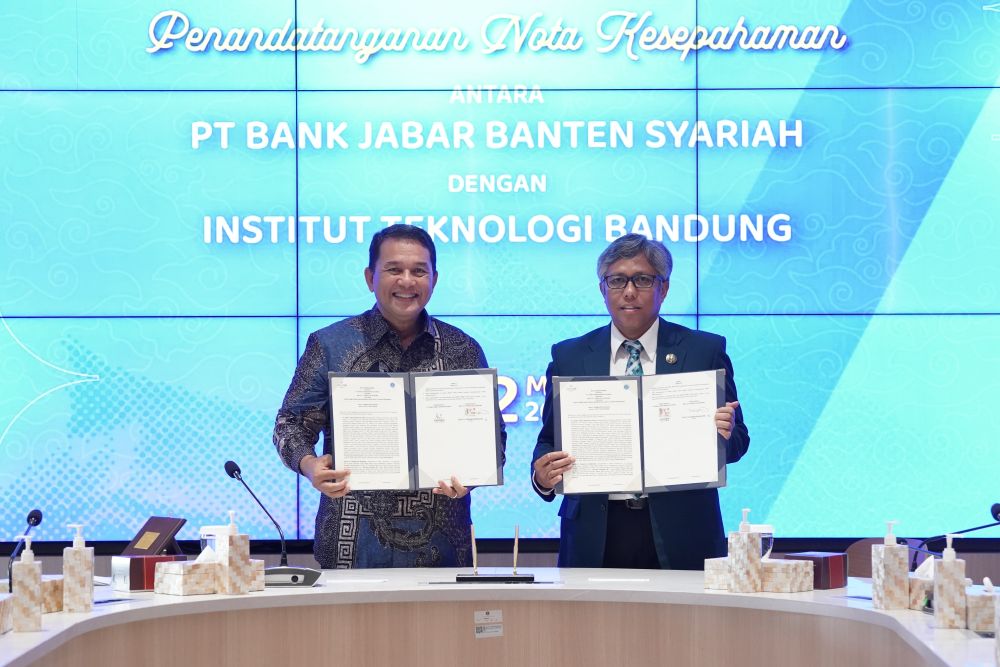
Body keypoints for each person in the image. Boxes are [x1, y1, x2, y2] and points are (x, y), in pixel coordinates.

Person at [273, 224, 505, 568]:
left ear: (435, 279)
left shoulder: (463, 349)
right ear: (370, 278)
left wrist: (471, 478)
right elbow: (290, 424)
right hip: (353, 545)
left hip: (442, 546)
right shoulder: (330, 344)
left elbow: (493, 438)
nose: (407, 281)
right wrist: (310, 466)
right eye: (394, 269)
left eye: (419, 271)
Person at [531, 234, 749, 570]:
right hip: (595, 531)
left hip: (683, 530)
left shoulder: (703, 351)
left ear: (664, 288)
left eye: (643, 280)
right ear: (603, 289)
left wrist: (725, 434)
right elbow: (548, 439)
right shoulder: (569, 356)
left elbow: (738, 442)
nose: (629, 291)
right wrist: (542, 476)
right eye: (617, 280)